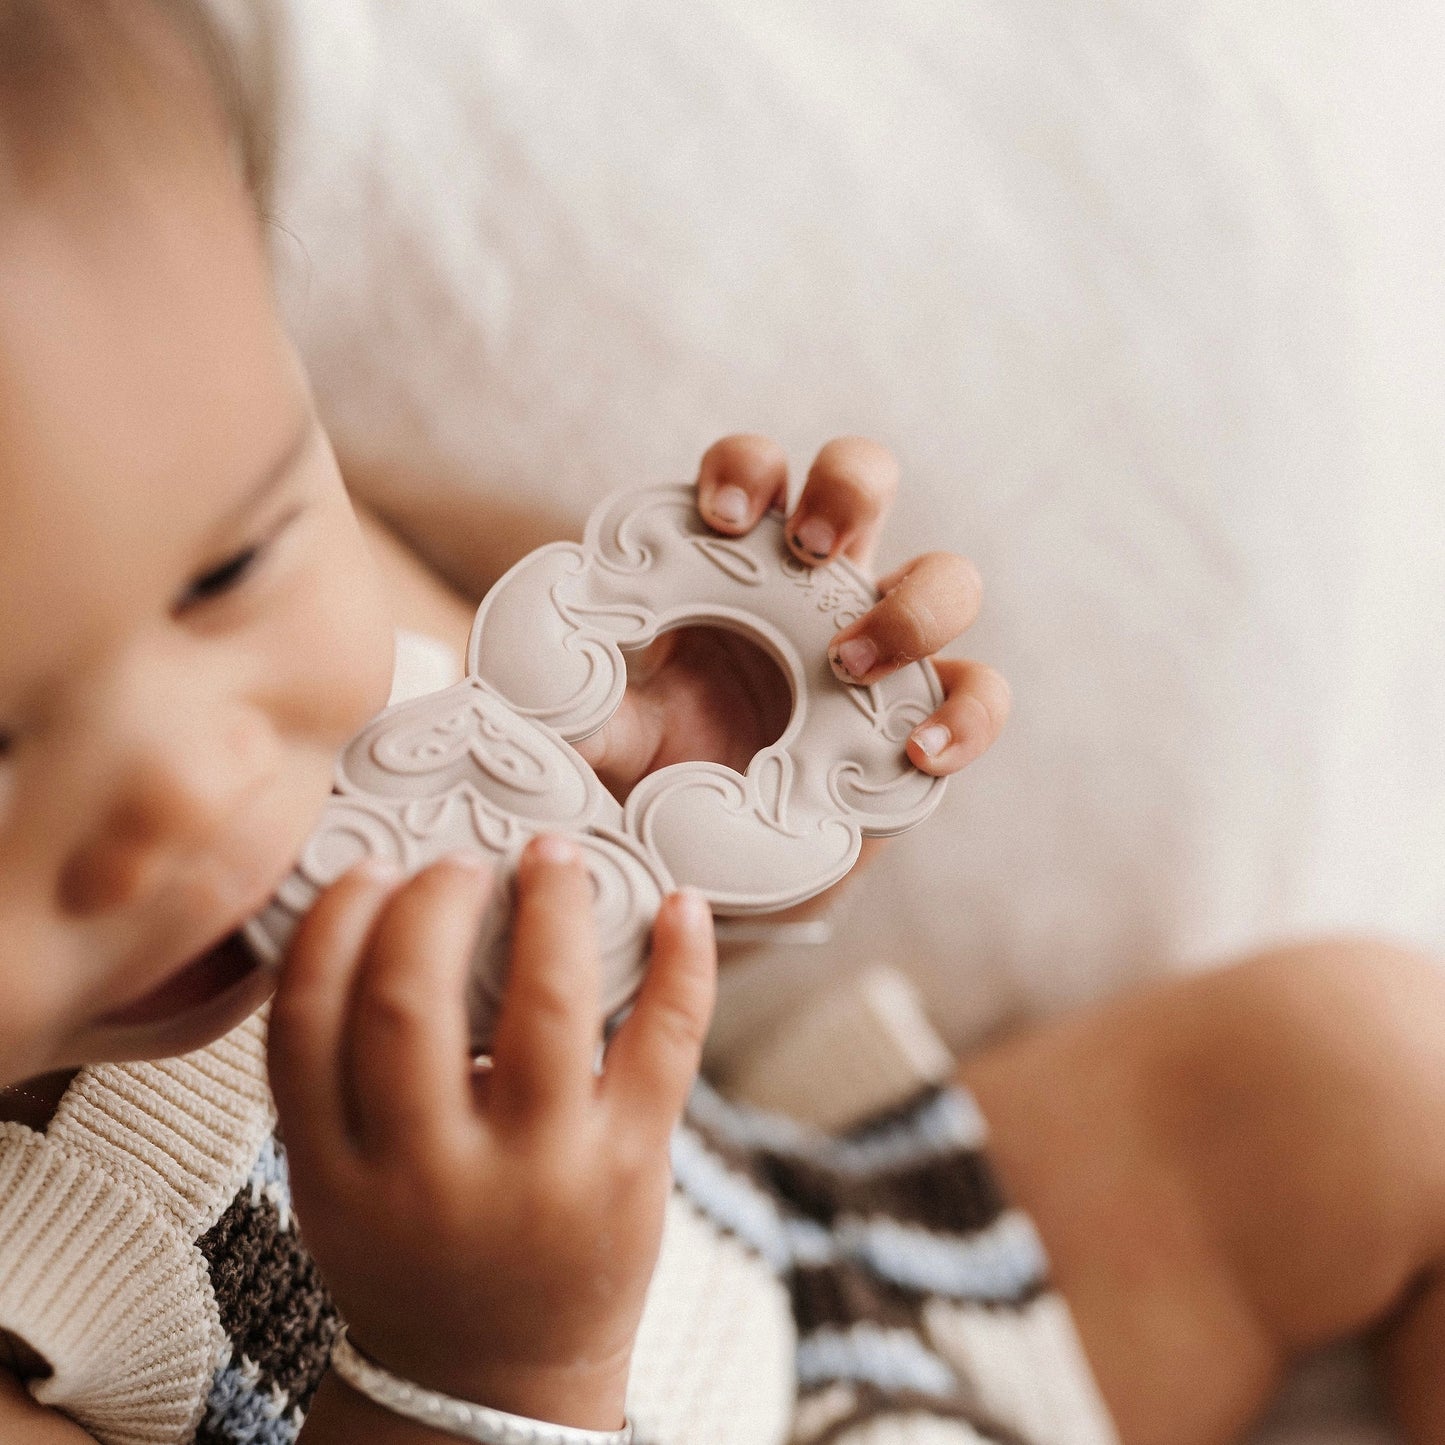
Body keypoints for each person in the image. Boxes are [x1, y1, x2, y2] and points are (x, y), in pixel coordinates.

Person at [0, 5, 1442, 1445]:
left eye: (226, 572)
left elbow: (604, 926)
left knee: (1383, 1071)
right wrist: (481, 1358)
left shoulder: (241, 537)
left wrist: (700, 769)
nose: (194, 786)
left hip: (829, 1256)